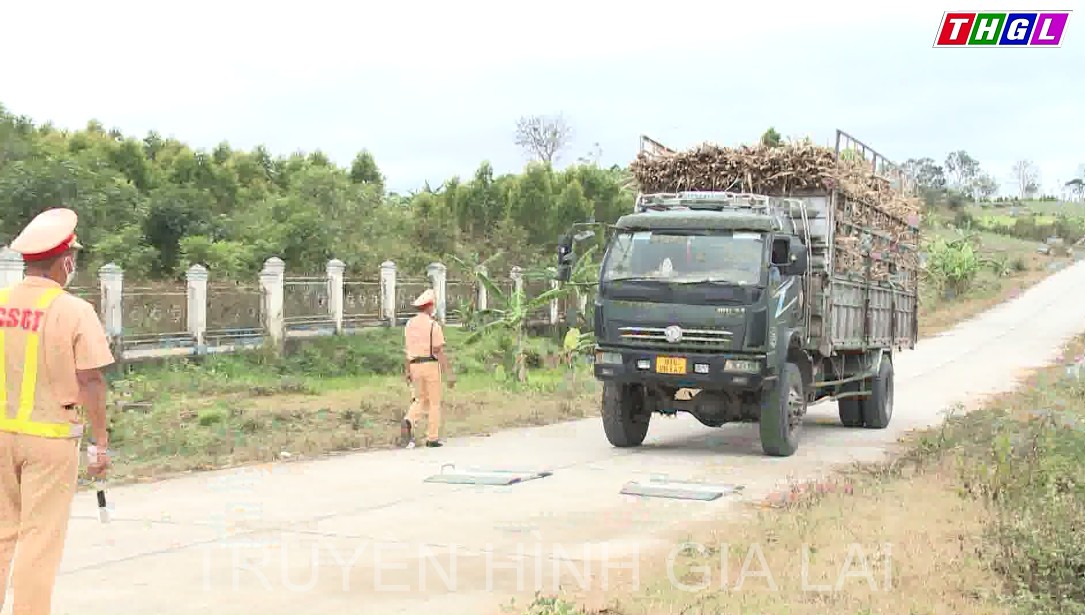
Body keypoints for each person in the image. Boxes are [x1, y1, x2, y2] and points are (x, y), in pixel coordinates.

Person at [0, 207, 114, 615]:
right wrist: (101, 444)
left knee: (2, 534)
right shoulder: (73, 310)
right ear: (66, 261)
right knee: (39, 539)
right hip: (49, 441)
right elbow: (91, 381)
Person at [400, 289, 455, 448]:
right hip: (430, 365)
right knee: (434, 402)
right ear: (430, 306)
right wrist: (448, 372)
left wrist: (407, 370)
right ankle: (432, 438)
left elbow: (407, 349)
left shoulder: (409, 324)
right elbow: (438, 350)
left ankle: (408, 420)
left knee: (419, 399)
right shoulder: (433, 325)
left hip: (414, 365)